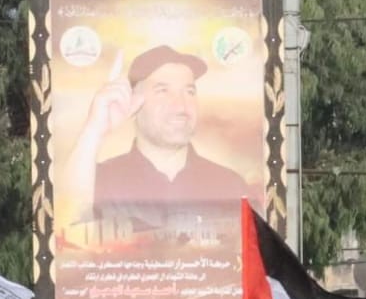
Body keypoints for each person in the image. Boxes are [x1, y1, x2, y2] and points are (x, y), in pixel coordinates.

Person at [63, 45, 251, 229]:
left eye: (189, 92)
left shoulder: (231, 186)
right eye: (163, 91)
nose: (181, 106)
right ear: (133, 100)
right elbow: (67, 226)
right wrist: (94, 129)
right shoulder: (98, 180)